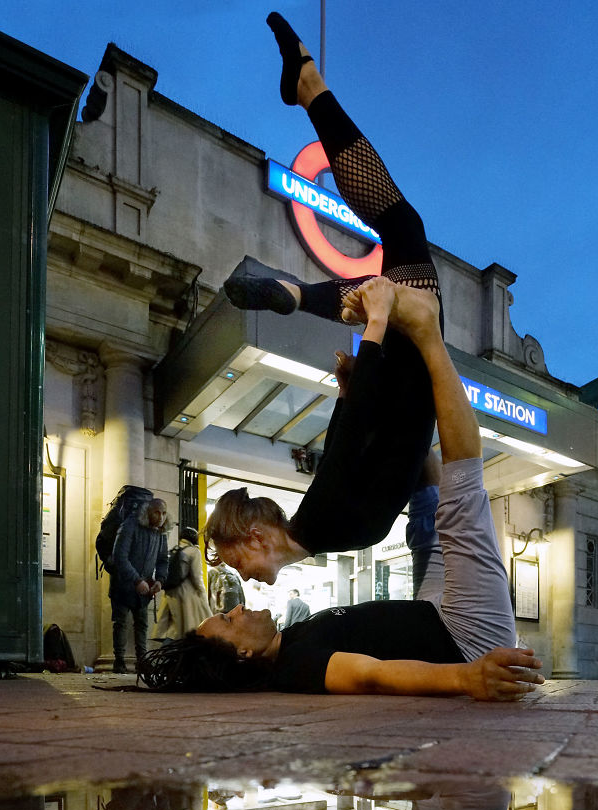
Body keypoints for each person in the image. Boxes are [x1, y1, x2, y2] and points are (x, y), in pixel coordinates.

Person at [140, 283, 544, 703]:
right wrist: (468, 678)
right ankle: (427, 333)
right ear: (242, 653)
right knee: (461, 499)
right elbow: (372, 675)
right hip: (466, 637)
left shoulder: (292, 641)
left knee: (426, 504)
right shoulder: (296, 666)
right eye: (226, 618)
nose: (236, 605)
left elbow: (340, 452)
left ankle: (414, 410)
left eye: (227, 610)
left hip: (435, 611)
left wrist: (357, 399)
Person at [203, 11, 444, 586]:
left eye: (239, 561)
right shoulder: (320, 524)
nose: (248, 577)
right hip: (404, 381)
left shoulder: (324, 520)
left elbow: (351, 439)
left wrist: (376, 334)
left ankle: (309, 87)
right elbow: (349, 441)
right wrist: (353, 384)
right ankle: (298, 293)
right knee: (402, 228)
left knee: (404, 228)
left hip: (406, 374)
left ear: (257, 536)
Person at [109, 498, 170, 672]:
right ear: (148, 512)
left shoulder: (161, 533)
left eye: (164, 513)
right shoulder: (130, 526)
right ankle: (119, 661)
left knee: (142, 623)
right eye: (157, 512)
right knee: (120, 622)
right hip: (122, 583)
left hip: (144, 586)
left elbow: (163, 560)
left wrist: (160, 579)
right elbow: (119, 556)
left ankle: (142, 661)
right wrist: (136, 579)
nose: (161, 517)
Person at [153, 526, 212, 642]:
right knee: (190, 629)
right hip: (186, 596)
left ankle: (166, 654)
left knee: (172, 629)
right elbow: (196, 577)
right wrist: (203, 596)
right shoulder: (194, 551)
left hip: (170, 593)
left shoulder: (173, 551)